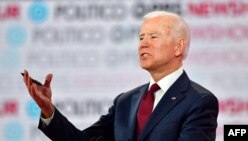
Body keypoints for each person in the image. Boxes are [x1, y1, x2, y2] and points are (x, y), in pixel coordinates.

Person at [23, 11, 219, 141]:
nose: (143, 43)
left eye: (153, 37)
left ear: (178, 47)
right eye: (141, 37)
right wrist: (48, 110)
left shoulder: (199, 101)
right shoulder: (125, 101)